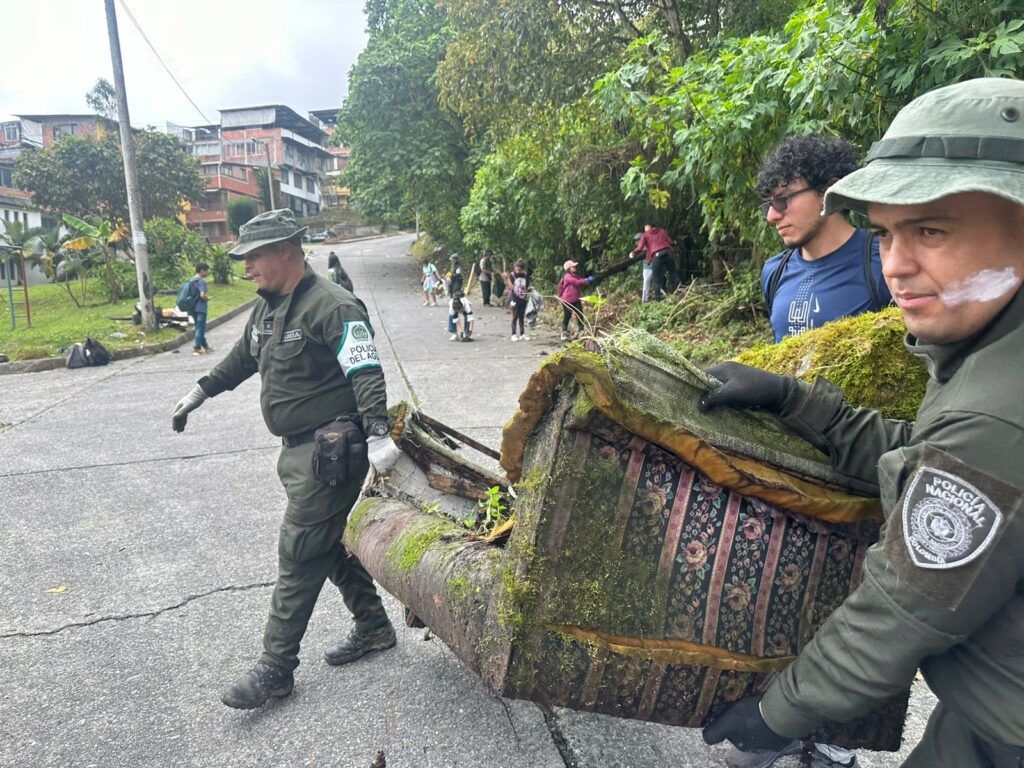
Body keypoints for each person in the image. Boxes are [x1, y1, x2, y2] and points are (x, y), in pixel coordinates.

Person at [700, 77, 1024, 768]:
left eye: (932, 230)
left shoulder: (999, 405)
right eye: (884, 234)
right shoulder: (992, 353)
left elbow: (908, 604)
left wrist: (781, 711)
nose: (898, 266)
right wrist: (797, 400)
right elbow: (929, 457)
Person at [169, 208, 402, 710]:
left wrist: (379, 434)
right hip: (296, 454)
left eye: (254, 256)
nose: (247, 267)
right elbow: (243, 358)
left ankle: (276, 668)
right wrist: (201, 390)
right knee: (328, 542)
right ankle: (374, 625)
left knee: (298, 551)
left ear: (286, 251)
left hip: (331, 453)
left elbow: (365, 370)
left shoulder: (333, 306)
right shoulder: (269, 309)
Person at [757, 135, 891, 343]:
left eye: (782, 200)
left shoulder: (882, 262)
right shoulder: (774, 272)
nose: (771, 216)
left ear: (828, 192)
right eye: (769, 205)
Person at [631, 223, 675, 300]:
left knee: (658, 280)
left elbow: (640, 248)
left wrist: (633, 252)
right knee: (671, 275)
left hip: (656, 259)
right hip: (660, 258)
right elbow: (670, 242)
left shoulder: (647, 236)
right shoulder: (660, 232)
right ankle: (678, 294)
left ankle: (659, 298)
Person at [555, 260, 594, 340]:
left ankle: (581, 331)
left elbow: (580, 281)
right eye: (573, 266)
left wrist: (586, 280)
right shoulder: (567, 276)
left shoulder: (574, 275)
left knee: (580, 314)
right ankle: (564, 332)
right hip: (567, 300)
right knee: (567, 316)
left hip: (576, 298)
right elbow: (576, 282)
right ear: (569, 268)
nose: (575, 267)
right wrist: (586, 280)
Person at [505, 260, 530, 341]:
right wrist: (507, 279)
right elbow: (510, 287)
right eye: (516, 269)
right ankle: (513, 334)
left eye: (519, 269)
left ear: (522, 269)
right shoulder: (512, 276)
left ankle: (522, 334)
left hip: (523, 298)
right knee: (515, 316)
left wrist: (530, 289)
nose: (517, 271)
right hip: (514, 298)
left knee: (522, 316)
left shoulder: (525, 276)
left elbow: (527, 286)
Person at [190, 263, 212, 356]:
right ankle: (197, 348)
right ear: (202, 271)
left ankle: (205, 346)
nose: (207, 272)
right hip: (200, 307)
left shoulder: (191, 280)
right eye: (206, 270)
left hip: (192, 307)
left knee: (198, 327)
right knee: (200, 328)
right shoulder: (201, 281)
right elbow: (202, 295)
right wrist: (207, 299)